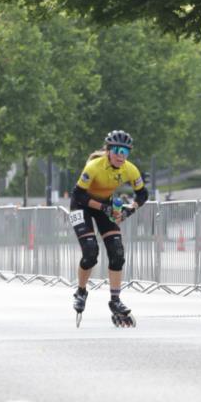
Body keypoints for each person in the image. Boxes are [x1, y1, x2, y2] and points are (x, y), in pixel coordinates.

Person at [69, 129, 149, 326]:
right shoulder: (93, 167)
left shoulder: (130, 169)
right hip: (82, 205)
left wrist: (130, 209)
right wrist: (104, 207)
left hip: (103, 206)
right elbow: (79, 195)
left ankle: (115, 300)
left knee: (117, 252)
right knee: (90, 252)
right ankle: (81, 291)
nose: (122, 156)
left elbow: (143, 194)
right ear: (108, 151)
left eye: (126, 152)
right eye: (118, 151)